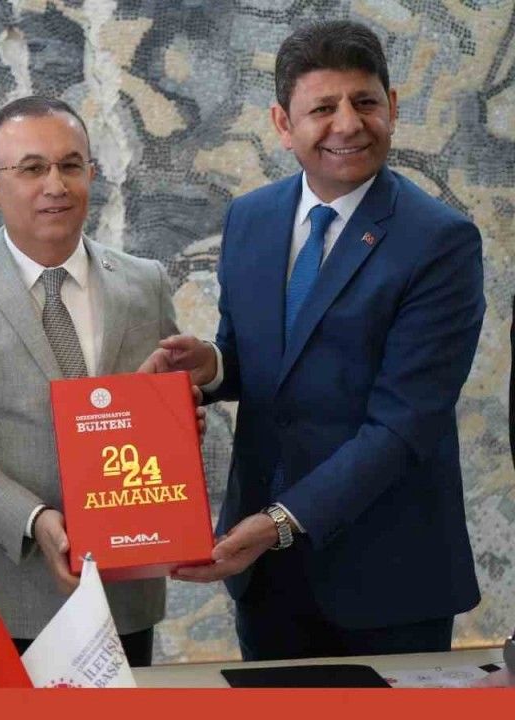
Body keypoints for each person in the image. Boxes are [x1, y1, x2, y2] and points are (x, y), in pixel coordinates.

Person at [140, 20, 484, 660]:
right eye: (323, 108)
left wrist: (277, 523)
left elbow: (403, 424)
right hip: (265, 578)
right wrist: (211, 367)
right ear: (282, 123)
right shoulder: (251, 217)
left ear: (392, 107)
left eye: (365, 102)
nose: (348, 124)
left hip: (387, 578)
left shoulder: (439, 242)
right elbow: (260, 359)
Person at [0, 96, 189, 667]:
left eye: (71, 165)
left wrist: (180, 422)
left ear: (92, 175)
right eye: (33, 168)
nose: (55, 185)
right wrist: (35, 521)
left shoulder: (145, 284)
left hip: (122, 595)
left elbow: (162, 410)